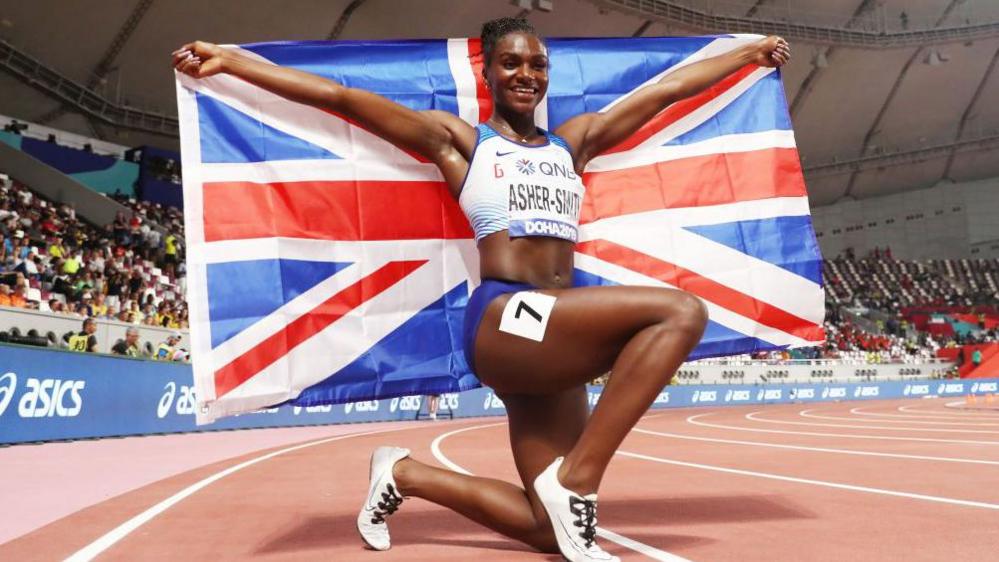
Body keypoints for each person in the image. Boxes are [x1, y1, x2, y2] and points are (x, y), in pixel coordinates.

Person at [174, 20, 789, 561]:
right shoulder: (462, 142)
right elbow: (343, 99)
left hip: (556, 337)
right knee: (679, 312)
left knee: (546, 530)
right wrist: (235, 64)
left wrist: (747, 56)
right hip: (505, 319)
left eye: (538, 64)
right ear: (488, 72)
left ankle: (406, 474)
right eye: (512, 62)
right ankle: (579, 482)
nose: (527, 73)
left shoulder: (571, 144)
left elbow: (665, 92)